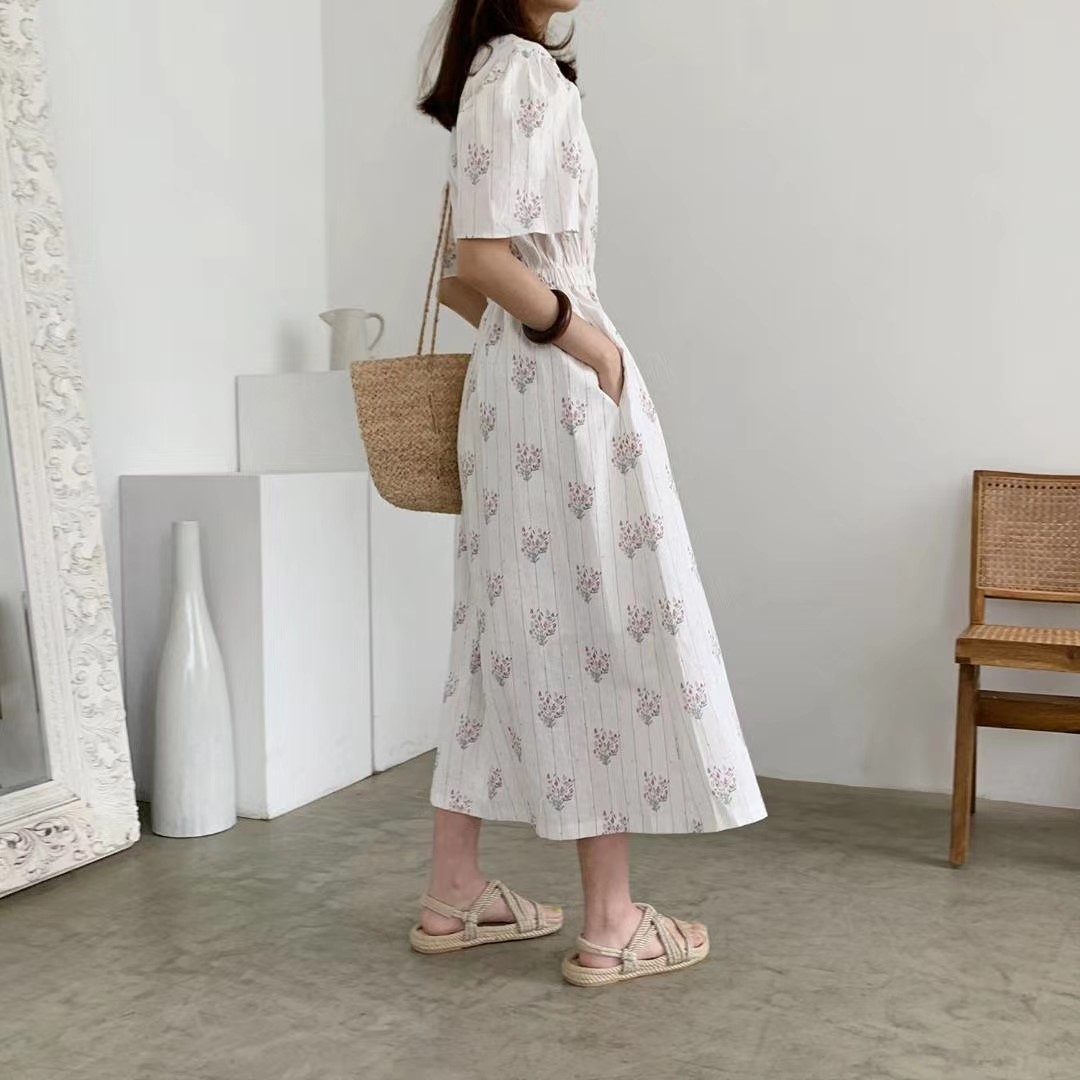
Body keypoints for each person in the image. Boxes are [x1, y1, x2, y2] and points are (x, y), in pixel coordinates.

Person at [411, 0, 766, 987]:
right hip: (555, 382)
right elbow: (484, 260)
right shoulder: (521, 72)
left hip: (513, 388)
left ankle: (452, 891)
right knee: (593, 624)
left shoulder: (492, 73)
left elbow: (467, 275)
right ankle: (611, 921)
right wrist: (591, 345)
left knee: (500, 626)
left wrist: (540, 335)